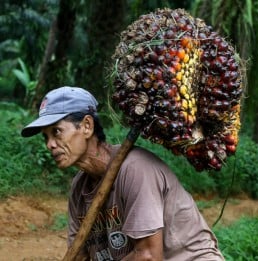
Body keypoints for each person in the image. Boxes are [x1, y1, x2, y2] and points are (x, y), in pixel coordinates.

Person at [21, 86, 225, 261]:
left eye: (56, 132)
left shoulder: (135, 170)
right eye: (45, 137)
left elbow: (148, 257)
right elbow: (80, 254)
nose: (50, 145)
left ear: (86, 126)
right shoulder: (79, 189)